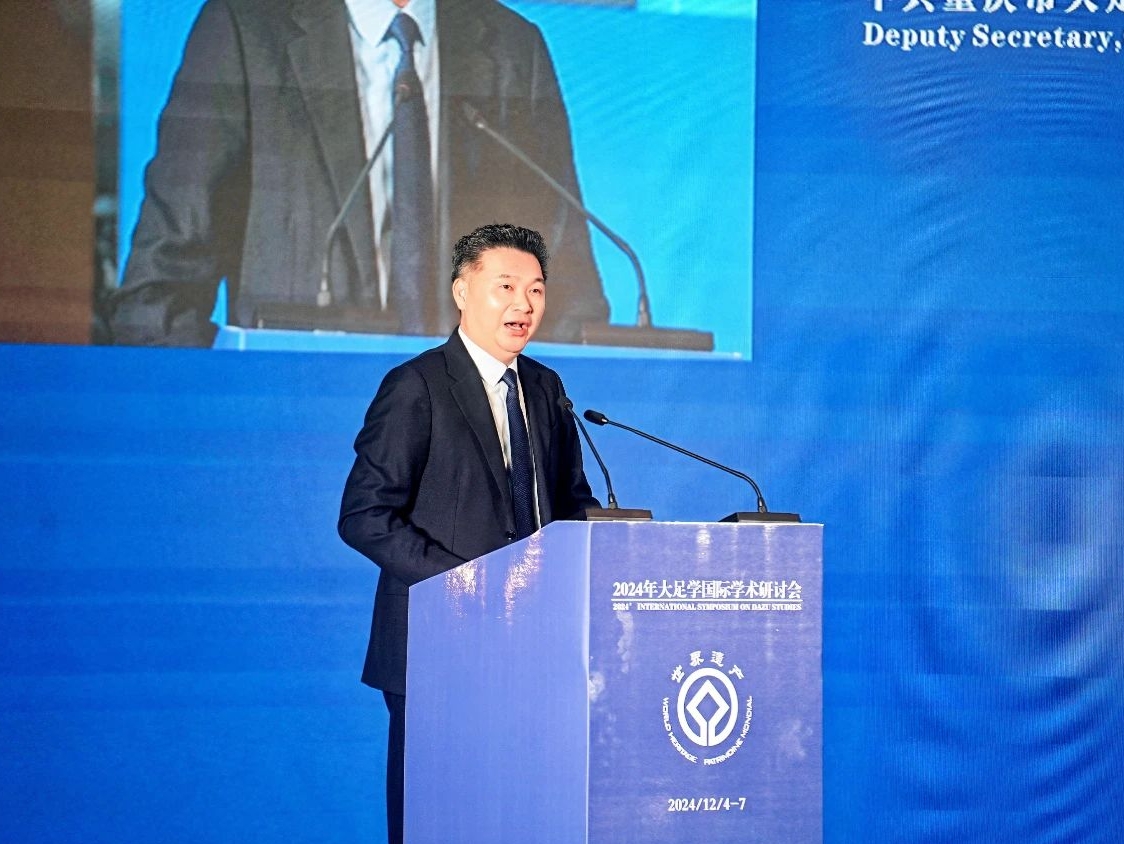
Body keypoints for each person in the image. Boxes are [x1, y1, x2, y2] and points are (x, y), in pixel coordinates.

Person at [109, 0, 609, 346]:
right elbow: (160, 295)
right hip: (293, 425)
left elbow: (567, 292)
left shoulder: (513, 48)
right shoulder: (245, 30)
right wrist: (221, 419)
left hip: (471, 442)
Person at [337, 223, 599, 843]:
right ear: (462, 291)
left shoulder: (546, 388)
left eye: (536, 290)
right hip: (440, 644)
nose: (523, 304)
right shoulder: (417, 386)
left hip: (533, 646)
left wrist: (614, 540)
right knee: (439, 822)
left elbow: (570, 501)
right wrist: (465, 582)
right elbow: (364, 515)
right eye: (505, 286)